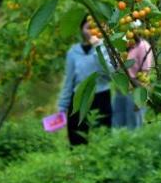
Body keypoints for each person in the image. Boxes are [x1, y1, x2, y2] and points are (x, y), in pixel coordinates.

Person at [58, 16, 115, 145]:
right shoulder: (73, 52)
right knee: (77, 137)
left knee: (103, 137)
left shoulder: (105, 48)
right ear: (81, 29)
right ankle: (79, 162)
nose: (92, 32)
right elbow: (69, 80)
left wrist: (98, 47)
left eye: (95, 28)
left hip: (101, 97)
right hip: (79, 97)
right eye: (89, 28)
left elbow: (109, 74)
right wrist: (62, 106)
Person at [111, 27, 154, 129]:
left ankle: (134, 142)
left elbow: (145, 71)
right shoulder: (124, 46)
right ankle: (117, 142)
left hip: (135, 87)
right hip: (121, 87)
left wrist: (139, 92)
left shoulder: (143, 46)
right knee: (117, 118)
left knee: (134, 121)